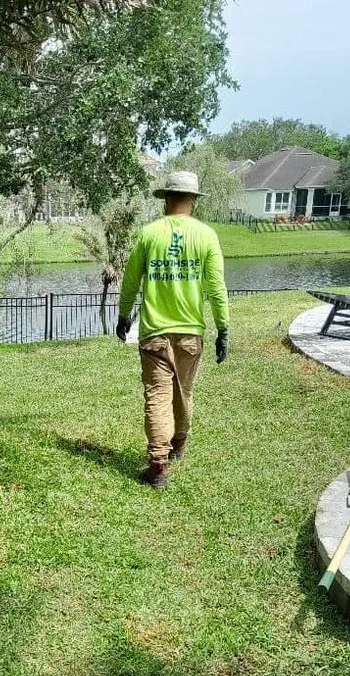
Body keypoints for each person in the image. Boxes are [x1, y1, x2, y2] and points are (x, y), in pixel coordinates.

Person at [117, 170, 230, 490]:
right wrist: (223, 329)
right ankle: (178, 444)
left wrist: (124, 316)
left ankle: (157, 467)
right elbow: (217, 288)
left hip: (154, 333)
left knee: (157, 396)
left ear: (167, 199)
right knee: (183, 392)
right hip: (190, 333)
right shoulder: (207, 236)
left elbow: (130, 282)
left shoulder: (149, 233)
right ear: (193, 201)